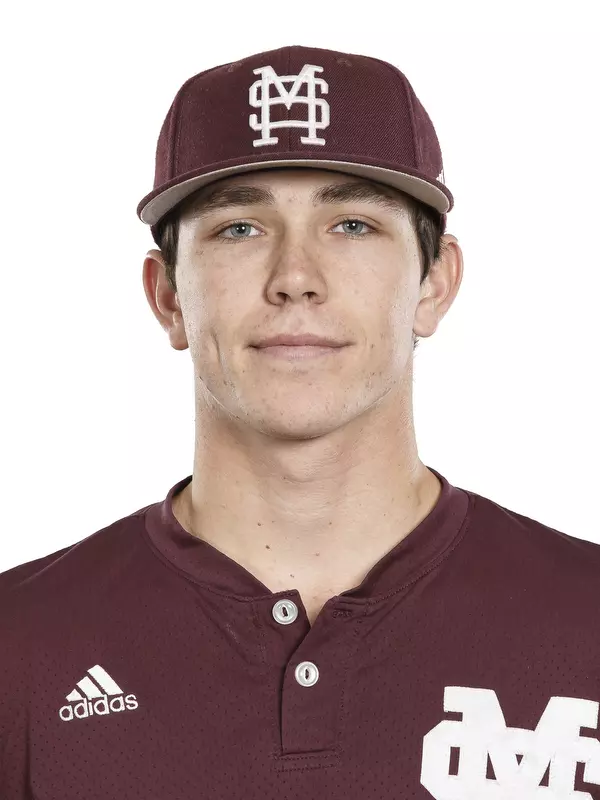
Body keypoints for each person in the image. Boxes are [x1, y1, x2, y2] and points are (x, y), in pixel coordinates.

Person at [2, 44, 600, 799]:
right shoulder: (18, 649)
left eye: (351, 225)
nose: (295, 279)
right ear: (168, 297)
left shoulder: (588, 627)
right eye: (240, 229)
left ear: (436, 283)